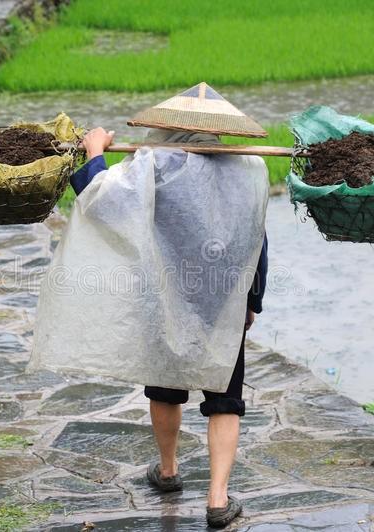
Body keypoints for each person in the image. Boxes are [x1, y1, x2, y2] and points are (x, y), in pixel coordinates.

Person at [64, 83, 269, 528]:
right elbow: (256, 239)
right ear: (220, 131)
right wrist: (251, 300)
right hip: (222, 299)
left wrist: (94, 151)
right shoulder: (250, 168)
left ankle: (170, 470)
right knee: (225, 398)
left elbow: (102, 200)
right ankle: (218, 498)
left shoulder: (152, 163)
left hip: (163, 293)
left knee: (165, 384)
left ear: (164, 126)